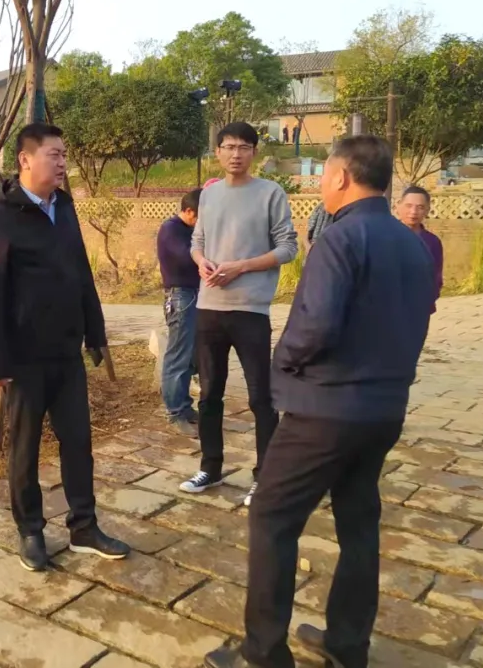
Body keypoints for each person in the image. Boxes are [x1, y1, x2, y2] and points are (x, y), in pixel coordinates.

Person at [205, 136, 434, 668]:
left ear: (342, 177)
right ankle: (348, 644)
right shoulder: (413, 245)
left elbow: (314, 326)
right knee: (359, 523)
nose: (323, 184)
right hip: (384, 407)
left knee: (272, 516)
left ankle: (263, 652)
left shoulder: (340, 238)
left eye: (326, 174)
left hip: (326, 411)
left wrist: (283, 367)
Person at [0, 122, 130, 572]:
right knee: (24, 449)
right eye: (54, 155)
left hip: (65, 352)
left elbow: (81, 272)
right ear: (25, 159)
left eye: (64, 155)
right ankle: (30, 531)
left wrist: (95, 332)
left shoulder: (64, 207)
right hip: (23, 359)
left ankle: (84, 527)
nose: (63, 163)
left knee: (78, 442)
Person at [182, 121, 298, 509]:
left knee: (261, 397)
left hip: (250, 310)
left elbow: (288, 248)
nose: (236, 154)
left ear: (254, 152)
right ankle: (210, 468)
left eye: (243, 147)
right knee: (209, 395)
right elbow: (197, 241)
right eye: (229, 147)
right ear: (217, 152)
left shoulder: (270, 193)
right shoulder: (209, 195)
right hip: (209, 309)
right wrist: (200, 261)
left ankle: (266, 477)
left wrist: (241, 266)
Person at [156, 188, 202, 436]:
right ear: (189, 211)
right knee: (178, 356)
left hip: (195, 294)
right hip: (180, 296)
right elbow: (187, 258)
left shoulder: (190, 230)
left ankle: (184, 406)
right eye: (201, 216)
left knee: (191, 356)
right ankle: (174, 413)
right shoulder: (171, 229)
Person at [396, 185, 444, 312]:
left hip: (419, 307)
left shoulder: (432, 242)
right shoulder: (384, 236)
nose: (413, 212)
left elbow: (436, 276)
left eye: (420, 207)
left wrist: (427, 299)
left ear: (427, 210)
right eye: (409, 206)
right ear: (398, 206)